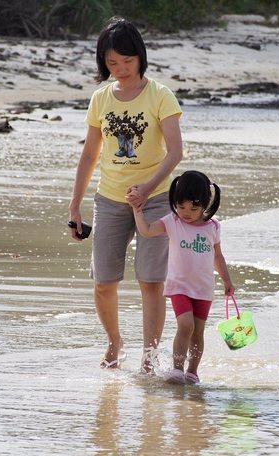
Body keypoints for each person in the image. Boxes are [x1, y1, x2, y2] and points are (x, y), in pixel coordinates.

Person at [68, 17, 183, 371]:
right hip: (111, 199)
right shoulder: (101, 98)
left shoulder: (160, 95)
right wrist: (74, 205)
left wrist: (147, 188)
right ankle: (115, 343)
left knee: (151, 281)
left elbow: (176, 152)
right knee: (104, 282)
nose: (121, 70)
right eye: (112, 63)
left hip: (157, 198)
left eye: (127, 62)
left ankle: (149, 356)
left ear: (140, 58)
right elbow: (89, 154)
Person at [126, 170, 235, 384]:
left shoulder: (213, 227)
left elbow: (218, 256)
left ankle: (192, 372)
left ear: (205, 205)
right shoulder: (173, 222)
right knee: (186, 325)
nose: (186, 212)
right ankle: (177, 369)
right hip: (179, 286)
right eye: (181, 206)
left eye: (194, 208)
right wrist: (137, 212)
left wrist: (227, 280)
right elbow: (147, 231)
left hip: (203, 288)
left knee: (198, 331)